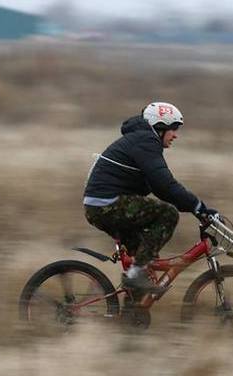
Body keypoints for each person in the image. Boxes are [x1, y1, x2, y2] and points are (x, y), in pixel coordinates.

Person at [83, 101, 217, 296]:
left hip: (100, 205)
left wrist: (196, 210)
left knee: (144, 262)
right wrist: (198, 207)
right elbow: (165, 184)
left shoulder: (141, 141)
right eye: (173, 129)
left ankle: (133, 315)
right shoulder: (146, 141)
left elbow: (160, 189)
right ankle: (135, 275)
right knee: (167, 214)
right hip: (107, 204)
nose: (175, 135)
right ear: (160, 127)